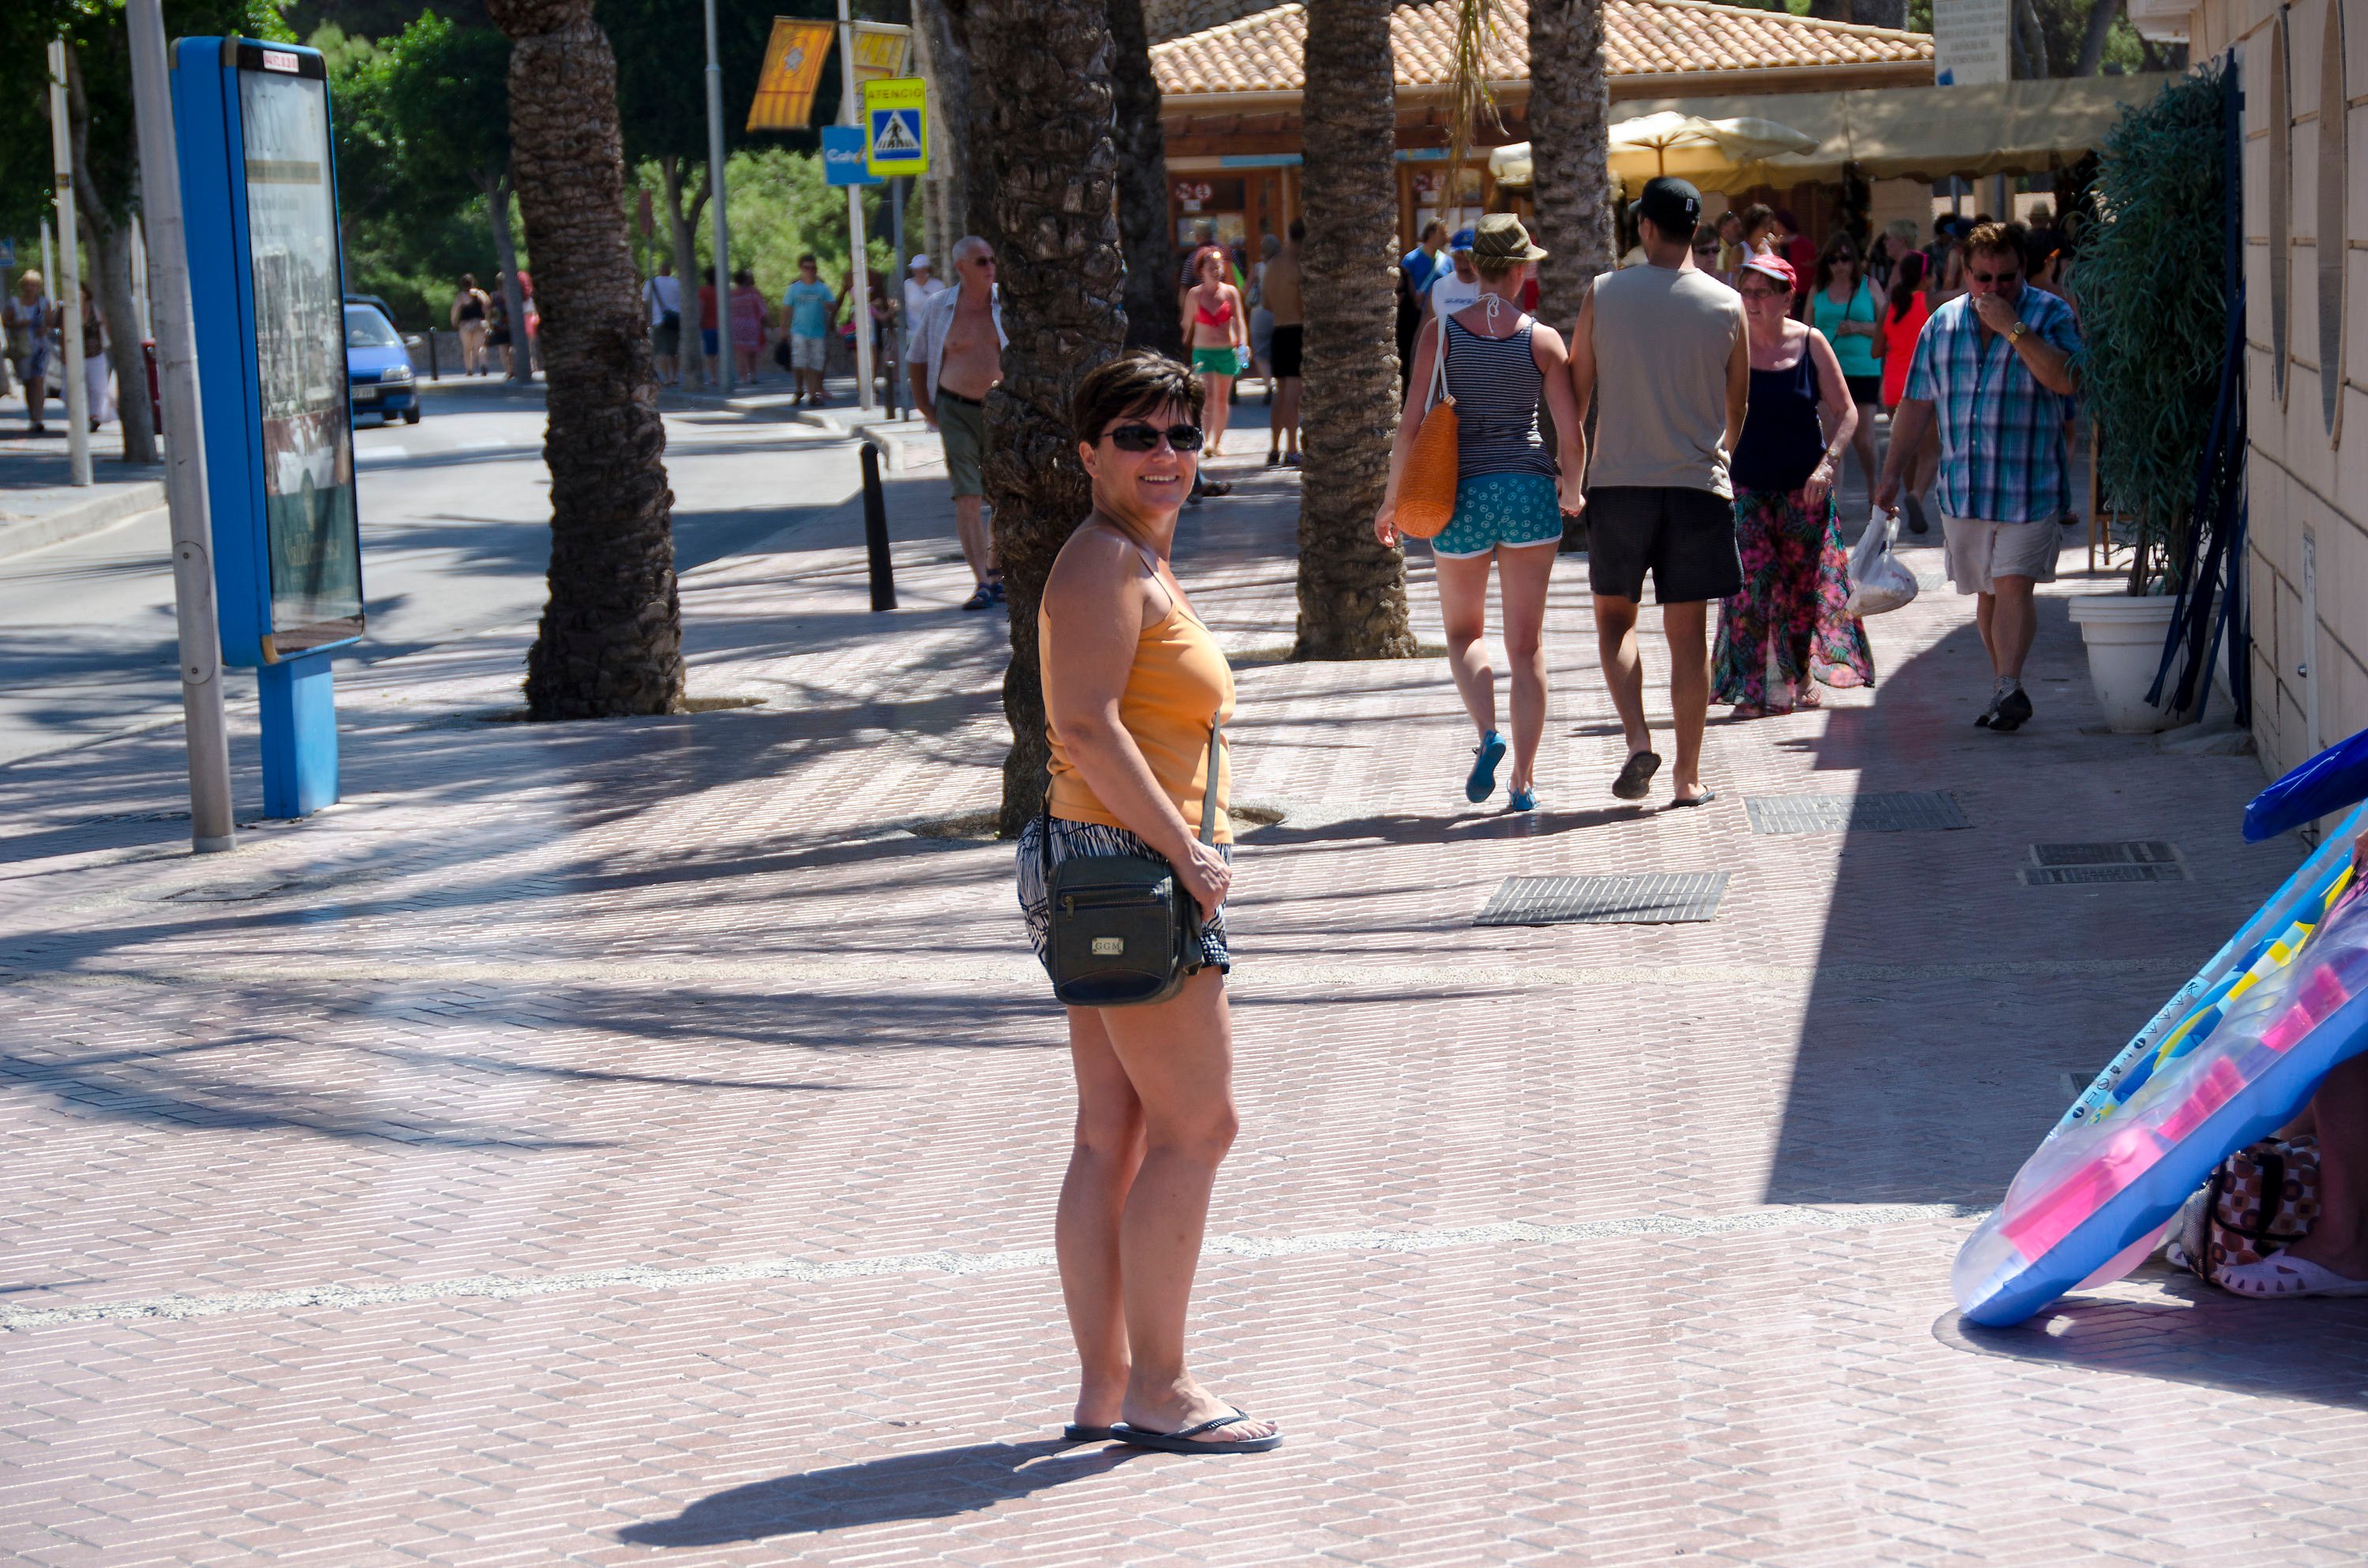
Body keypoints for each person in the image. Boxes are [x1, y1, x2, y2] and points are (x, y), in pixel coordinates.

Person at [1020, 350, 1280, 1455]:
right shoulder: (1101, 560)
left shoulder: (1132, 555)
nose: (1165, 453)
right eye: (1137, 435)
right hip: (1130, 869)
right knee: (1198, 1124)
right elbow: (1084, 724)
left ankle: (1108, 1384)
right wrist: (1187, 852)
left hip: (1107, 865)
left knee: (1114, 1128)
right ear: (1089, 453)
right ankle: (1161, 1386)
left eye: (1180, 432)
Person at [1375, 215, 1584, 813]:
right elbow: (1571, 436)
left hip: (1461, 496)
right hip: (1528, 493)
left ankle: (1488, 733)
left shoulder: (1440, 333)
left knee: (1465, 633)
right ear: (1518, 272)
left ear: (1473, 269)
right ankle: (1523, 782)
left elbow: (1410, 426)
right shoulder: (1543, 340)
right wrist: (1573, 490)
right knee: (1527, 647)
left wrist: (1391, 501)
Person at [1568, 176, 1749, 808]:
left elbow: (1576, 394)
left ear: (1645, 226)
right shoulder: (1728, 304)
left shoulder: (1604, 292)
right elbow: (1737, 405)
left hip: (1619, 483)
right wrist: (1717, 457)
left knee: (1615, 621)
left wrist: (1572, 471)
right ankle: (1687, 778)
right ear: (1696, 229)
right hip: (1698, 486)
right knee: (1688, 636)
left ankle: (1638, 737)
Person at [1875, 219, 2082, 733]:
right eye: (1983, 278)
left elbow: (2066, 379)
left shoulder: (2050, 313)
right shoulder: (1941, 325)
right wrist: (1890, 475)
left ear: (2022, 270)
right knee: (1987, 593)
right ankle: (2003, 686)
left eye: (2006, 278)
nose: (1994, 288)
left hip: (2030, 484)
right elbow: (1915, 404)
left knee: (2014, 585)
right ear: (1965, 273)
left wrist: (2014, 328)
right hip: (1965, 489)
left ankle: (2010, 682)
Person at [1712, 255, 1874, 718]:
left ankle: (1799, 672)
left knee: (1801, 591)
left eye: (1762, 293)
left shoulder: (1811, 343)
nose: (1751, 301)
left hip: (1805, 489)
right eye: (1745, 291)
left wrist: (1827, 466)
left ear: (1788, 300)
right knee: (1750, 584)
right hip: (1746, 486)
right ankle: (1751, 690)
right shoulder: (1729, 344)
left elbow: (1847, 412)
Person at [908, 235, 1008, 609]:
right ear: (961, 266)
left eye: (992, 259)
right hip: (954, 408)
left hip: (999, 410)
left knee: (1003, 494)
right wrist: (926, 407)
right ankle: (980, 581)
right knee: (967, 495)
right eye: (982, 261)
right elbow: (916, 358)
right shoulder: (939, 307)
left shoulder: (1006, 305)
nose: (990, 267)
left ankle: (996, 571)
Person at [1809, 236, 1883, 500]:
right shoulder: (1818, 289)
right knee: (1832, 436)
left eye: (1845, 258)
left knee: (1864, 439)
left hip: (1863, 369)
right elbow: (1807, 328)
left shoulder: (1869, 286)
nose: (1840, 265)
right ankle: (1835, 498)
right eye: (1833, 259)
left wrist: (1858, 327)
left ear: (1854, 260)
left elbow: (1886, 327)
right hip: (1827, 369)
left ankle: (1873, 485)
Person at [1877, 249, 1937, 534]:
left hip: (1892, 389)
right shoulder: (1931, 301)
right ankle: (1917, 495)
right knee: (1930, 452)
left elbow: (1876, 350)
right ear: (1925, 278)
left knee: (1908, 450)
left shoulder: (1890, 305)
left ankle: (1914, 503)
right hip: (1922, 385)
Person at [1178, 247, 1247, 458]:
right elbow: (1186, 324)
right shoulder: (1194, 295)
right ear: (1202, 271)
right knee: (1207, 396)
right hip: (1203, 352)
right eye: (1211, 268)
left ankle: (1217, 442)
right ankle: (1207, 440)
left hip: (1227, 351)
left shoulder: (1230, 292)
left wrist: (1243, 343)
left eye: (1218, 267)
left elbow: (1240, 321)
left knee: (1222, 398)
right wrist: (1182, 344)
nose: (1216, 271)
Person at [1262, 219, 1305, 468]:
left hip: (1278, 329)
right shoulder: (1299, 265)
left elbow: (1266, 303)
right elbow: (1303, 303)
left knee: (1281, 392)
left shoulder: (1273, 264)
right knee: (1293, 393)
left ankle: (1274, 447)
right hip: (1297, 329)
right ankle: (1291, 449)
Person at [782, 255, 837, 406]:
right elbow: (786, 309)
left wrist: (829, 306)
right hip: (799, 331)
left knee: (815, 364)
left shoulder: (822, 288)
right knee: (800, 363)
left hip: (818, 332)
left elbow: (833, 306)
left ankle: (813, 394)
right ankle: (799, 389)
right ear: (801, 268)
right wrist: (783, 328)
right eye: (807, 268)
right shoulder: (794, 288)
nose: (810, 271)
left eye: (813, 268)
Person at [6, 271, 55, 434]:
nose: (30, 288)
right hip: (23, 348)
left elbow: (51, 323)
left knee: (38, 381)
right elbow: (5, 321)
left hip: (41, 347)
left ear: (38, 287)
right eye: (27, 285)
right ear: (22, 286)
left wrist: (45, 329)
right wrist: (18, 323)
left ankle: (39, 418)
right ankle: (32, 416)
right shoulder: (14, 303)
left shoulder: (43, 303)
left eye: (33, 285)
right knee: (28, 382)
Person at [1426, 230, 1482, 320]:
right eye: (1459, 259)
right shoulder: (1439, 287)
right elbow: (1427, 324)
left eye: (1469, 260)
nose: (1464, 266)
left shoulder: (1491, 287)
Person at [1248, 234, 1278, 396]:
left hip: (1260, 312)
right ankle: (1280, 383)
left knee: (1260, 353)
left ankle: (1268, 384)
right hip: (1280, 311)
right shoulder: (1282, 267)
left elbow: (1245, 290)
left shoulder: (1258, 268)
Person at [77, 283, 111, 432]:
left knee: (97, 386)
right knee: (75, 388)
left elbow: (105, 326)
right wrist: (61, 337)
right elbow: (57, 329)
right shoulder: (66, 310)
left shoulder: (94, 309)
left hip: (96, 352)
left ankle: (95, 416)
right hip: (75, 356)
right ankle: (81, 415)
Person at [643, 262, 682, 386]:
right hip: (674, 320)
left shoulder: (651, 283)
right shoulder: (677, 283)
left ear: (659, 270)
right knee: (674, 351)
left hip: (658, 320)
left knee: (661, 351)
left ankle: (666, 378)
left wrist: (646, 320)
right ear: (670, 271)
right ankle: (675, 376)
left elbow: (644, 302)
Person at [901, 253, 946, 357]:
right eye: (916, 270)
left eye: (922, 270)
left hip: (933, 332)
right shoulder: (908, 285)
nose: (919, 273)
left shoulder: (938, 286)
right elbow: (904, 306)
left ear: (927, 270)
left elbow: (943, 310)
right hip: (913, 332)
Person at [1401, 220, 1452, 309]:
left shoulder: (1448, 261)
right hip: (1417, 312)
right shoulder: (1410, 260)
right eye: (1443, 233)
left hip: (1442, 311)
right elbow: (1402, 289)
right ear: (1431, 234)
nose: (1447, 237)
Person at [729, 268, 766, 383]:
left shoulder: (731, 294)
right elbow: (763, 310)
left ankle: (743, 377)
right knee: (752, 352)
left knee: (740, 353)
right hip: (752, 325)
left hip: (736, 326)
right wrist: (769, 323)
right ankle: (753, 376)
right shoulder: (754, 293)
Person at [450, 273, 489, 376]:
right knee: (480, 346)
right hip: (479, 323)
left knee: (467, 348)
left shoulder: (461, 296)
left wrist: (454, 321)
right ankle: (483, 364)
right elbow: (487, 304)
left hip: (465, 325)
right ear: (473, 283)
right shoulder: (480, 293)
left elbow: (455, 310)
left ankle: (469, 369)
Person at [485, 280, 514, 376]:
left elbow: (487, 310)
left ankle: (508, 370)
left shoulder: (493, 296)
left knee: (503, 349)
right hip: (512, 324)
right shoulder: (512, 294)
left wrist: (489, 323)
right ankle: (513, 368)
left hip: (499, 325)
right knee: (513, 347)